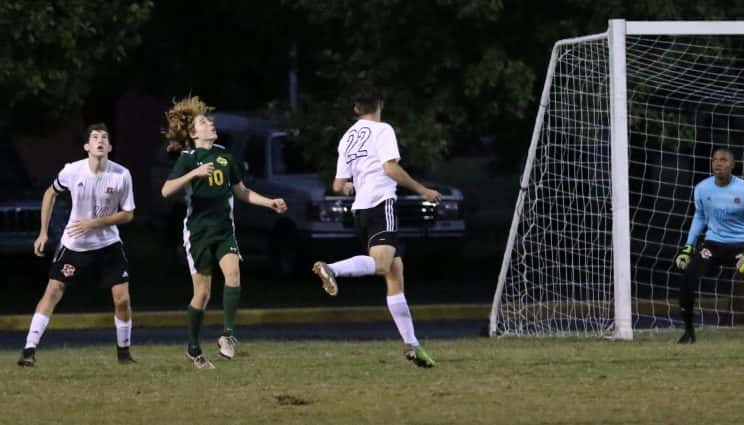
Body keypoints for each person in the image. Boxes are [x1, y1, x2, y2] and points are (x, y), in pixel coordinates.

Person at [312, 84, 440, 368]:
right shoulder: (383, 130)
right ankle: (332, 268)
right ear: (379, 103)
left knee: (395, 272)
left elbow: (338, 184)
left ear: (356, 109)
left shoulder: (346, 138)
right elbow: (390, 168)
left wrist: (352, 186)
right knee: (382, 265)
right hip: (382, 204)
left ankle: (412, 345)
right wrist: (422, 190)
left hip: (360, 210)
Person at [161, 96, 287, 369]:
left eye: (209, 121)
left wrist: (270, 202)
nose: (210, 124)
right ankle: (193, 346)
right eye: (204, 122)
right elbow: (166, 190)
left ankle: (228, 336)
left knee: (233, 274)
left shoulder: (226, 156)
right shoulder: (188, 158)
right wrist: (193, 174)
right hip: (198, 232)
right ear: (194, 133)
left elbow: (241, 191)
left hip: (224, 230)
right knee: (203, 294)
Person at [18, 123, 137, 367]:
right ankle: (28, 350)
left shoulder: (121, 174)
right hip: (75, 243)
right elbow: (50, 194)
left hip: (108, 243)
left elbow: (128, 214)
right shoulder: (72, 171)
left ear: (110, 147)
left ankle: (124, 354)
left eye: (104, 137)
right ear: (87, 146)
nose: (99, 140)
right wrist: (42, 233)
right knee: (53, 291)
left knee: (122, 299)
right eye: (94, 137)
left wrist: (95, 223)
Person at [674, 147, 744, 344]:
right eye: (715, 160)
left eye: (724, 160)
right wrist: (688, 247)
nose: (718, 164)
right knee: (689, 276)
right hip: (714, 244)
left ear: (733, 165)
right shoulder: (702, 188)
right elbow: (700, 216)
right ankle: (688, 331)